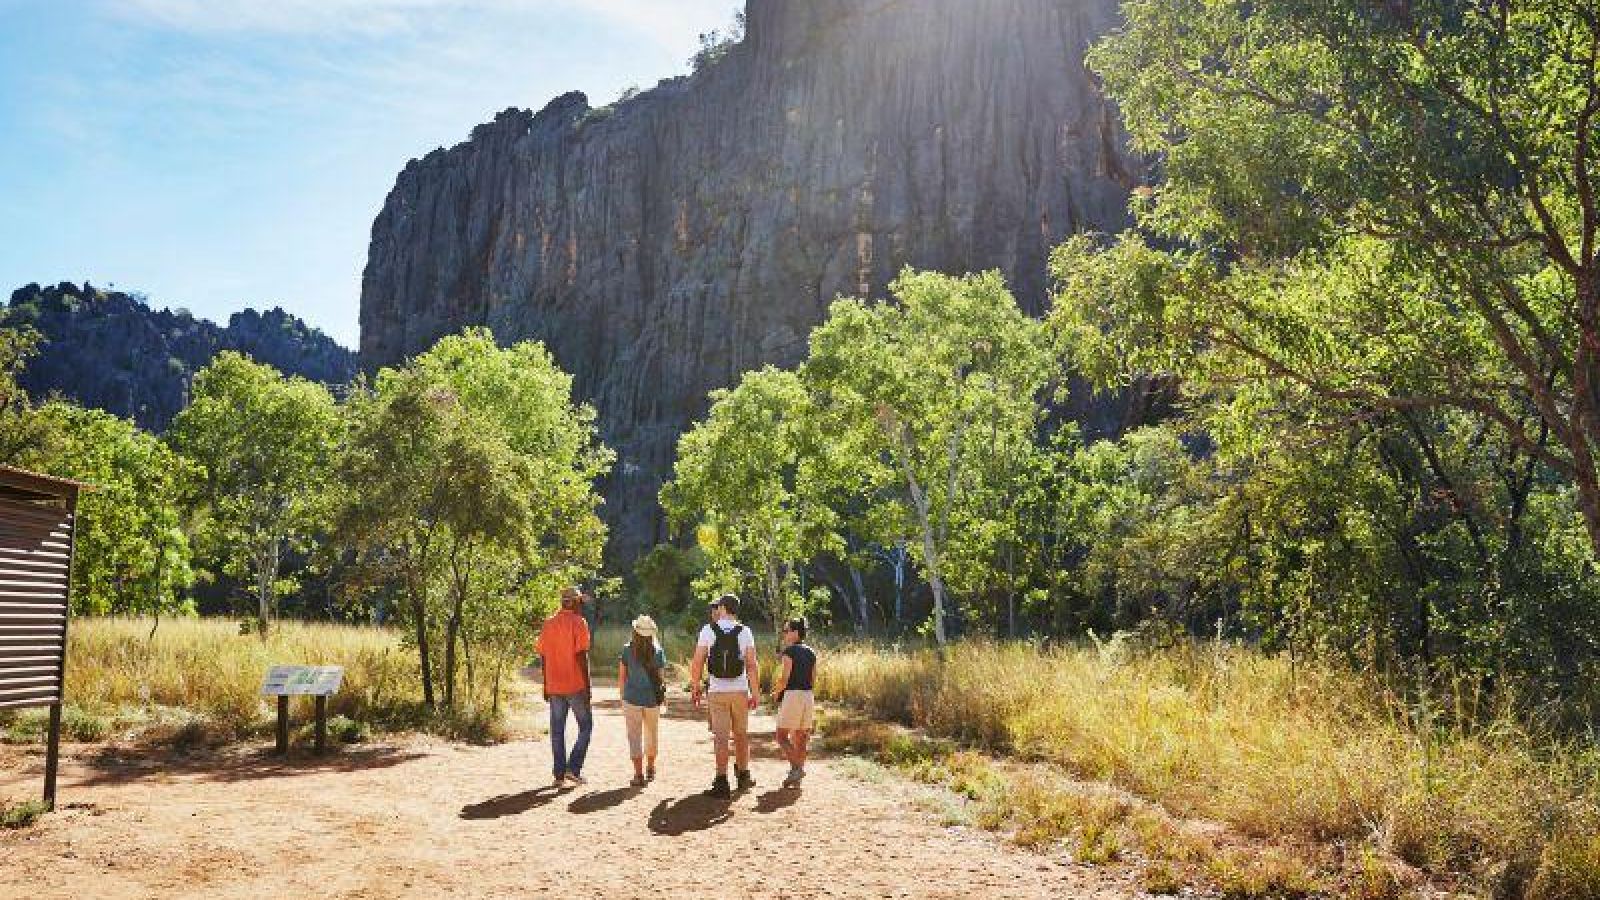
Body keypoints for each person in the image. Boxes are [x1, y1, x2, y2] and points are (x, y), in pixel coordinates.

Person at [689, 593, 759, 797]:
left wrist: (695, 686)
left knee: (721, 738)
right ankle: (744, 775)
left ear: (722, 608)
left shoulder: (708, 631)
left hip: (717, 691)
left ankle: (721, 782)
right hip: (739, 690)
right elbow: (751, 665)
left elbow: (698, 661)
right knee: (741, 735)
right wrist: (755, 692)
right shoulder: (745, 632)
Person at [536, 586, 593, 787]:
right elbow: (581, 655)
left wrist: (545, 684)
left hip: (554, 686)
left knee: (557, 730)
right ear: (575, 602)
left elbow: (543, 656)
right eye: (580, 602)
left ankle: (559, 775)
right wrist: (587, 686)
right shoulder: (579, 623)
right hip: (575, 684)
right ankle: (573, 768)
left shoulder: (548, 624)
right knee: (586, 726)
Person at [617, 614, 667, 787]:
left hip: (631, 698)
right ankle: (651, 768)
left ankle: (638, 775)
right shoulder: (658, 651)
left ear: (635, 632)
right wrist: (663, 698)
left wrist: (622, 697)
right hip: (652, 699)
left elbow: (622, 677)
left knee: (634, 736)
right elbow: (661, 678)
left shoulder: (627, 650)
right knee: (651, 734)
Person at [769, 617, 817, 788]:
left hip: (793, 695)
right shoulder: (811, 652)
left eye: (787, 630)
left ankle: (796, 768)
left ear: (796, 633)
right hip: (808, 696)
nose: (784, 633)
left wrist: (776, 693)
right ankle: (797, 774)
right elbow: (813, 679)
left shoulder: (789, 652)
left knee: (781, 736)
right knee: (801, 736)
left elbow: (784, 678)